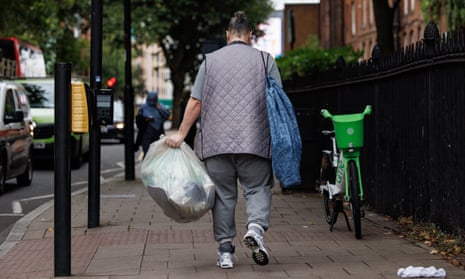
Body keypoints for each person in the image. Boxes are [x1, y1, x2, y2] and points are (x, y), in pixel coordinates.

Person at [165, 11, 283, 269]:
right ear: (250, 36)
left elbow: (196, 101)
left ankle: (226, 252)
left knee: (223, 197)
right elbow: (277, 101)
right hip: (255, 141)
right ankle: (255, 229)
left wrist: (182, 134)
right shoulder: (265, 61)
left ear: (227, 35)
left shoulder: (210, 61)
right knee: (258, 189)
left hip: (216, 145)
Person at [136, 91, 170, 158]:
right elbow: (138, 121)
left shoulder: (160, 107)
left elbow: (167, 115)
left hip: (159, 135)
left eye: (153, 100)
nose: (152, 101)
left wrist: (159, 108)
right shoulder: (143, 108)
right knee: (147, 154)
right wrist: (145, 120)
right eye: (150, 100)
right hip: (147, 135)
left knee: (158, 155)